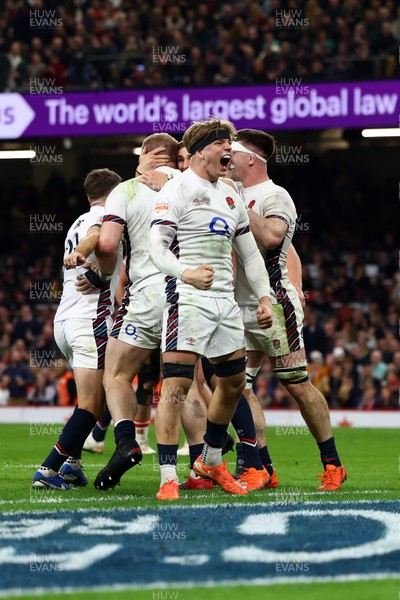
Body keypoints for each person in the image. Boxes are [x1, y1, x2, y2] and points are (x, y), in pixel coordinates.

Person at [149, 117, 273, 501]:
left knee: (234, 383)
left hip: (225, 302)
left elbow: (250, 256)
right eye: (225, 143)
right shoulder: (177, 190)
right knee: (177, 387)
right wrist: (186, 274)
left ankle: (212, 460)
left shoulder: (231, 194)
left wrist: (265, 296)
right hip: (188, 298)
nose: (230, 151)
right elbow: (157, 247)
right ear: (203, 149)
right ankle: (168, 476)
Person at [230, 128, 347, 491]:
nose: (225, 157)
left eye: (231, 152)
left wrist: (236, 202)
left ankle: (333, 463)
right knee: (236, 386)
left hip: (276, 304)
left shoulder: (274, 195)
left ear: (251, 158)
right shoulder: (225, 191)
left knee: (295, 383)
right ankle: (261, 466)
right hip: (237, 306)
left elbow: (274, 238)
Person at [93, 133, 181, 491]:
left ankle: (126, 440)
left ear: (145, 153)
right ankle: (209, 463)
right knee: (189, 385)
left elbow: (110, 244)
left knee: (116, 374)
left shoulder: (125, 189)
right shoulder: (194, 184)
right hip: (188, 294)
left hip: (145, 295)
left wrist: (98, 273)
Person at [32, 168, 122, 490]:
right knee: (92, 405)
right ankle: (48, 470)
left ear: (88, 195)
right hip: (90, 321)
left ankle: (72, 465)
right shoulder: (108, 218)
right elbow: (99, 237)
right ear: (116, 193)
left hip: (65, 322)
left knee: (90, 398)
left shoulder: (74, 222)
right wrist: (85, 253)